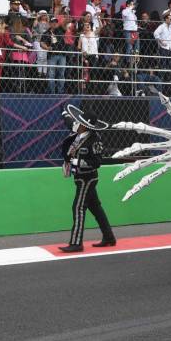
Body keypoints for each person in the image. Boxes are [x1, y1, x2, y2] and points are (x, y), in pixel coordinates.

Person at [59, 105, 117, 252]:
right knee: (96, 208)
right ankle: (109, 237)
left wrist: (76, 162)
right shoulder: (78, 132)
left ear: (85, 126)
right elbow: (69, 122)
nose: (76, 123)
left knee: (78, 208)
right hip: (79, 177)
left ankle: (76, 243)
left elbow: (97, 163)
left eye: (80, 122)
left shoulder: (94, 140)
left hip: (87, 178)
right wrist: (64, 112)